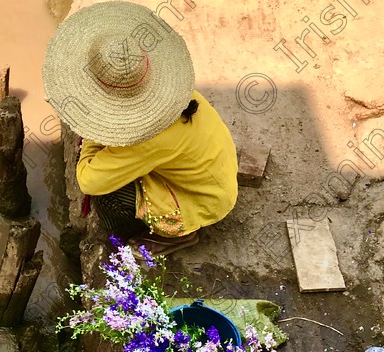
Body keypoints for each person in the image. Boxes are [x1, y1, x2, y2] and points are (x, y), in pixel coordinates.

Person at [43, 0, 238, 256]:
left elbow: (89, 181)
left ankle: (182, 234)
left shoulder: (149, 137)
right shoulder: (175, 96)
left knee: (109, 201)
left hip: (203, 201)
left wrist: (90, 133)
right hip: (210, 175)